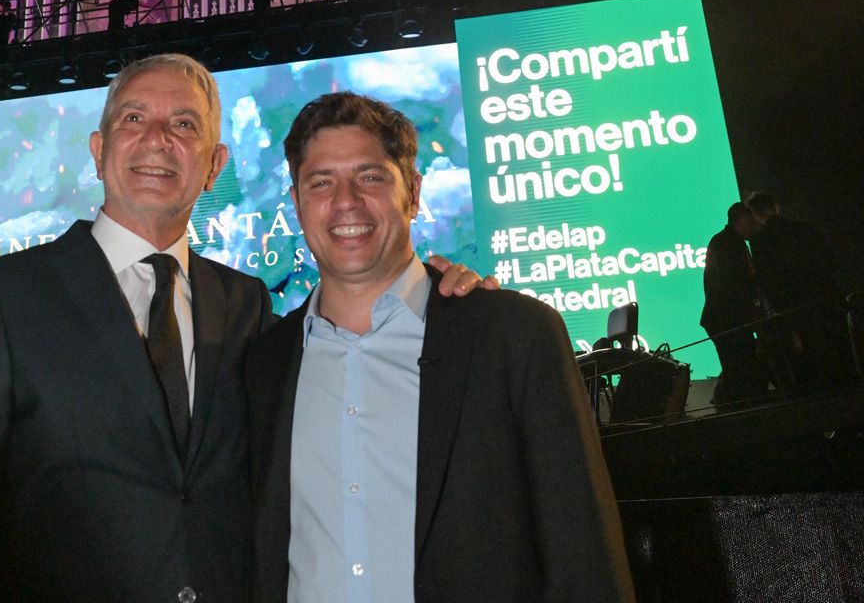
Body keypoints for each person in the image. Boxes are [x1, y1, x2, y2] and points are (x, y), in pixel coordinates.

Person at [0, 54, 484, 603]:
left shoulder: (246, 305)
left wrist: (435, 290)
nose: (158, 139)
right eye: (135, 119)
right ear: (99, 152)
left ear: (213, 165)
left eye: (184, 123)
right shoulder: (1, 297)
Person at [246, 92, 635, 603]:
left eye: (370, 177)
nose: (345, 201)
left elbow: (584, 555)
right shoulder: (263, 364)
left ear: (412, 192)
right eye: (321, 182)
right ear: (297, 205)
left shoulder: (513, 334)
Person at [743, 190, 853, 392]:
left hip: (798, 312)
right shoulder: (805, 229)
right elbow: (831, 261)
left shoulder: (760, 243)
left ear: (755, 215)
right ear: (776, 207)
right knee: (842, 360)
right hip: (827, 301)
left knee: (815, 368)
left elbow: (769, 285)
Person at [700, 202, 768, 404]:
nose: (755, 227)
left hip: (723, 320)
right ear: (743, 219)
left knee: (737, 370)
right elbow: (736, 284)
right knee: (741, 371)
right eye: (751, 222)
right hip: (729, 321)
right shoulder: (730, 244)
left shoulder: (723, 241)